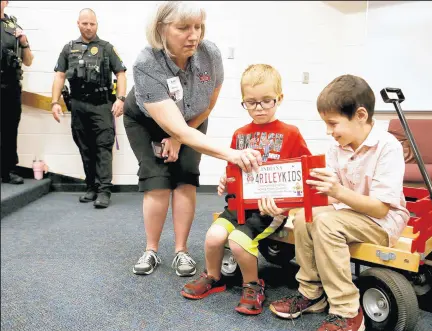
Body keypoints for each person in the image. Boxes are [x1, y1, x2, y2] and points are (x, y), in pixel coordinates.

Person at [268, 75, 410, 331]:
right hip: (346, 213)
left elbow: (380, 207)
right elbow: (326, 195)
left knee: (326, 224)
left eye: (333, 123)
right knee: (304, 215)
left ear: (360, 115)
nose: (329, 131)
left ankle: (347, 311)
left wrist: (337, 192)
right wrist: (291, 197)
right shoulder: (337, 148)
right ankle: (312, 293)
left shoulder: (388, 147)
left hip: (381, 221)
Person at [123, 1, 262, 278]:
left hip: (191, 120)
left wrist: (179, 137)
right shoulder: (146, 63)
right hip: (147, 120)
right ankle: (151, 249)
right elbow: (170, 124)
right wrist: (231, 154)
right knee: (157, 178)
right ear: (161, 29)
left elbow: (207, 106)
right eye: (183, 28)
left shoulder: (210, 54)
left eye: (198, 27)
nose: (194, 35)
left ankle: (181, 250)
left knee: (186, 175)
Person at [181, 64, 312, 315]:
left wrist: (289, 206)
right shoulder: (240, 134)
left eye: (266, 101)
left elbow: (303, 172)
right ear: (243, 102)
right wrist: (224, 180)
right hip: (237, 205)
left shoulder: (291, 134)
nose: (259, 108)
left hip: (268, 210)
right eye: (251, 103)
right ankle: (213, 276)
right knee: (213, 237)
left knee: (239, 241)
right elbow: (232, 170)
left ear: (279, 99)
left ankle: (253, 285)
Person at [51, 8, 127, 208]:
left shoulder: (106, 48)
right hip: (78, 105)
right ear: (78, 23)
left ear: (97, 24)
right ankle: (91, 187)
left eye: (92, 23)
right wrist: (54, 102)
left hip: (102, 105)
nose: (89, 27)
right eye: (85, 23)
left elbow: (121, 73)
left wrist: (120, 98)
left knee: (103, 147)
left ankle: (104, 191)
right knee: (85, 147)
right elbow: (59, 75)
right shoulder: (69, 48)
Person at [1, 0, 34, 184]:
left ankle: (8, 170)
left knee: (9, 129)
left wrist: (24, 43)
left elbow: (28, 61)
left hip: (10, 86)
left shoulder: (14, 27)